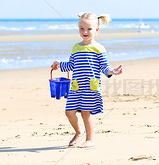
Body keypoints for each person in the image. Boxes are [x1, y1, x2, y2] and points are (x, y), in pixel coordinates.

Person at [51, 12, 123, 148]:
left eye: (89, 29)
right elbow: (71, 65)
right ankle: (78, 132)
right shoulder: (76, 47)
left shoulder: (99, 48)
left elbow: (104, 66)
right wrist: (59, 63)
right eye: (81, 28)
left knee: (85, 113)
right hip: (76, 87)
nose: (85, 32)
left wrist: (112, 71)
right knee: (69, 112)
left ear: (96, 29)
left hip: (91, 86)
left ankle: (90, 139)